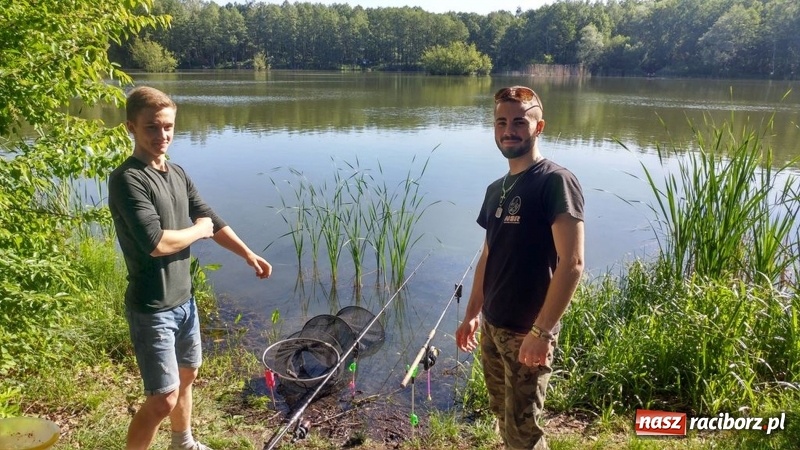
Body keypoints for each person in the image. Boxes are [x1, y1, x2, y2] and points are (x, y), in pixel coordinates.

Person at [108, 86, 273, 450]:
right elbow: (157, 243)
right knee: (162, 398)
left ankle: (183, 443)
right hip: (152, 308)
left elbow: (209, 216)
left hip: (185, 301)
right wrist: (199, 232)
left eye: (168, 127)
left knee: (187, 377)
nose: (162, 135)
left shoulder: (176, 173)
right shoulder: (127, 179)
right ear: (130, 128)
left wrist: (247, 253)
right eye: (152, 127)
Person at [456, 86, 584, 450]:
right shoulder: (496, 188)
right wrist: (471, 315)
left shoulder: (555, 181)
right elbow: (487, 256)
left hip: (527, 330)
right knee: (502, 413)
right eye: (501, 122)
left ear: (538, 126)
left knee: (524, 431)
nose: (508, 129)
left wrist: (541, 332)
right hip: (493, 326)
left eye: (518, 122)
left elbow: (572, 264)